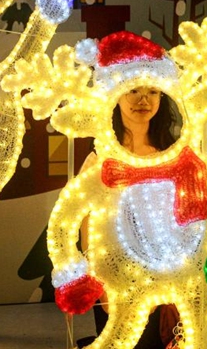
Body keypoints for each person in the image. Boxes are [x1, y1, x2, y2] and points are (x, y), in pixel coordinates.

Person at [76, 86, 181, 349]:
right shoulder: (101, 157)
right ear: (117, 97)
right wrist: (94, 273)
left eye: (153, 92)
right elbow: (85, 219)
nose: (143, 100)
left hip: (160, 273)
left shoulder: (170, 154)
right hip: (113, 274)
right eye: (133, 90)